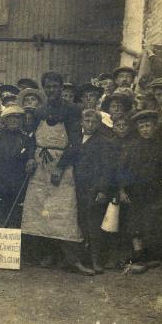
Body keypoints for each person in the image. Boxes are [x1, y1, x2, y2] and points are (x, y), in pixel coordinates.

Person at [21, 71, 94, 276]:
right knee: (40, 210)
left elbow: (76, 143)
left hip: (62, 165)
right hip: (39, 167)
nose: (52, 90)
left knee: (64, 212)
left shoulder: (72, 110)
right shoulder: (39, 111)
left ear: (61, 88)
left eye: (55, 86)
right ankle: (49, 255)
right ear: (44, 89)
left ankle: (72, 259)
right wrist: (29, 158)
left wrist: (60, 168)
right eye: (48, 87)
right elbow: (30, 139)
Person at [118, 110, 162, 274]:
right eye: (141, 127)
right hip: (135, 192)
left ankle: (150, 257)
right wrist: (122, 189)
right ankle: (138, 256)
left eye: (148, 126)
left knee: (152, 222)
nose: (145, 129)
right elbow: (123, 169)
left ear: (154, 127)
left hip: (155, 192)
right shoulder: (132, 146)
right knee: (134, 223)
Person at [73, 109, 118, 274]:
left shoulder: (104, 143)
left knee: (94, 226)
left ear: (99, 124)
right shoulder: (76, 140)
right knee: (80, 223)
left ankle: (96, 260)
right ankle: (82, 259)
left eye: (93, 122)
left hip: (93, 189)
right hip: (77, 188)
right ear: (81, 122)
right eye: (87, 121)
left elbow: (107, 169)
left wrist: (102, 190)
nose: (89, 125)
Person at [0, 105, 36, 229]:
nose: (13, 121)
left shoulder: (26, 140)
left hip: (19, 186)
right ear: (5, 121)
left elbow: (31, 155)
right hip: (1, 185)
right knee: (0, 217)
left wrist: (31, 159)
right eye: (10, 118)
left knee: (16, 218)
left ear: (21, 121)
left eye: (17, 118)